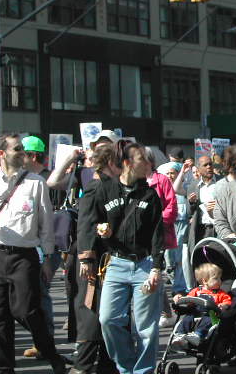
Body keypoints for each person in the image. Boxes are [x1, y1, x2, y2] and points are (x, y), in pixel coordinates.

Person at [0, 133, 68, 374]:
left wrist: (47, 258)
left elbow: (46, 224)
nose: (22, 152)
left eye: (23, 149)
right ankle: (3, 368)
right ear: (2, 154)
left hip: (24, 256)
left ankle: (50, 352)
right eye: (17, 149)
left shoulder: (36, 183)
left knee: (26, 310)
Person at [92, 142, 165, 374]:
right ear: (127, 163)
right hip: (116, 264)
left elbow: (157, 234)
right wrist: (101, 230)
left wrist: (156, 268)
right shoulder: (105, 190)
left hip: (144, 266)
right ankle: (126, 366)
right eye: (142, 159)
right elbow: (93, 221)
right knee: (108, 319)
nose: (148, 164)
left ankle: (142, 371)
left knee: (146, 327)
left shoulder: (150, 194)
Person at [72, 143, 121, 374]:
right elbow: (86, 225)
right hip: (97, 262)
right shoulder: (96, 186)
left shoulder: (114, 185)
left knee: (109, 312)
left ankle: (107, 365)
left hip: (111, 258)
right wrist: (86, 258)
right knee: (92, 311)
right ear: (111, 162)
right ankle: (82, 366)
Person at [20, 135, 65, 359]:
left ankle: (45, 342)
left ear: (33, 155)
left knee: (40, 292)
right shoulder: (24, 179)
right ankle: (42, 340)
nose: (20, 158)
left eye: (23, 153)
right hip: (31, 242)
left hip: (48, 244)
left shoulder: (46, 179)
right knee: (32, 293)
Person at [145, 147, 178, 328]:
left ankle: (161, 311)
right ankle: (165, 310)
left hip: (159, 234)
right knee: (148, 271)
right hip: (141, 236)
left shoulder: (162, 180)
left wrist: (155, 221)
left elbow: (171, 208)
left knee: (154, 269)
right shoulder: (136, 181)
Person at [171, 263, 231, 349]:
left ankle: (198, 335)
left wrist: (223, 305)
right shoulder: (196, 291)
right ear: (205, 281)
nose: (220, 281)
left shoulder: (220, 293)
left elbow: (227, 301)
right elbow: (188, 299)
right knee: (186, 319)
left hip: (211, 315)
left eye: (220, 278)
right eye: (216, 279)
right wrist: (180, 297)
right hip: (195, 313)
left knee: (208, 320)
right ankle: (180, 335)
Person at [157, 160, 192, 299]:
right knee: (169, 259)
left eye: (173, 173)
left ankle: (179, 287)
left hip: (183, 227)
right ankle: (173, 281)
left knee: (180, 259)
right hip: (168, 227)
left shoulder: (184, 188)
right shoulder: (163, 190)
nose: (170, 176)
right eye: (168, 173)